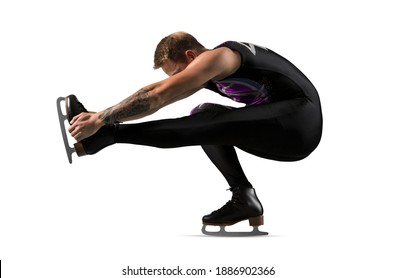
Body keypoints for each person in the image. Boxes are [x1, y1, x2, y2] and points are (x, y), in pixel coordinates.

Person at [65, 31, 323, 235]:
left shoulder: (220, 57)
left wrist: (100, 119)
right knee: (202, 115)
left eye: (178, 72)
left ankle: (108, 136)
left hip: (299, 123)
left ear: (191, 55)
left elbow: (157, 95)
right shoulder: (208, 73)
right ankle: (244, 198)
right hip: (278, 127)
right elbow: (159, 96)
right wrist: (100, 116)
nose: (180, 78)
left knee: (206, 123)